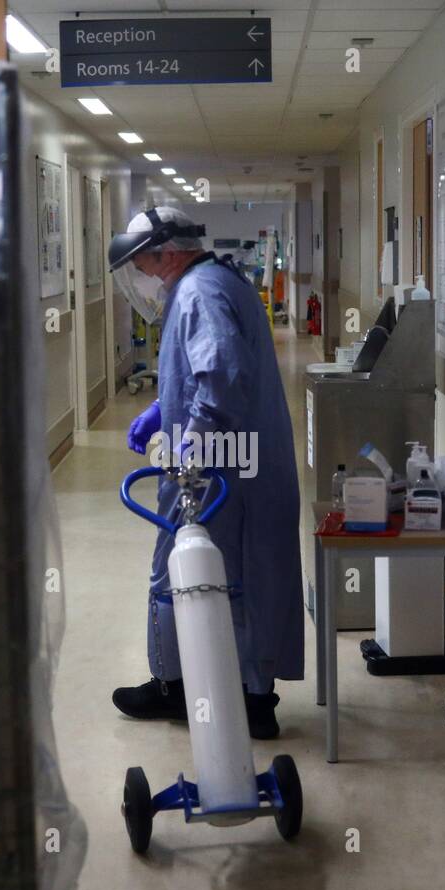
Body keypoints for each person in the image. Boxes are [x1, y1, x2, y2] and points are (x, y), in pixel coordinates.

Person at [108, 207, 303, 739]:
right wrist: (163, 409)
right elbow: (207, 372)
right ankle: (254, 699)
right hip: (248, 462)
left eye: (144, 265)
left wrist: (190, 444)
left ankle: (174, 685)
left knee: (179, 573)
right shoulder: (222, 280)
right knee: (249, 576)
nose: (144, 278)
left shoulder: (197, 292)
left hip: (216, 465)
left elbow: (220, 377)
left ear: (167, 253)